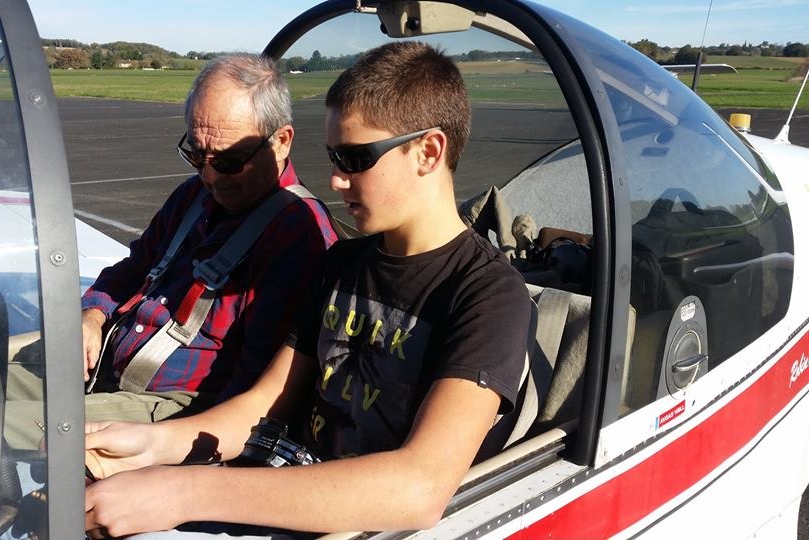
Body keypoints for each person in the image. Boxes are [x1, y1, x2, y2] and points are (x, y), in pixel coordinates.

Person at [83, 41, 531, 538]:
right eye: (335, 157)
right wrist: (149, 446)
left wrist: (181, 491)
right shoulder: (340, 265)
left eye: (355, 158)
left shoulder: (488, 294)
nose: (336, 181)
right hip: (278, 490)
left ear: (428, 152)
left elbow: (420, 488)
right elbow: (263, 405)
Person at [4, 53, 337, 449]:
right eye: (196, 154)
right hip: (106, 362)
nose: (209, 175)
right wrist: (91, 315)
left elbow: (255, 391)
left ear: (281, 142)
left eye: (229, 160)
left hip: (174, 408)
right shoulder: (192, 197)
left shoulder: (297, 235)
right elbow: (134, 268)